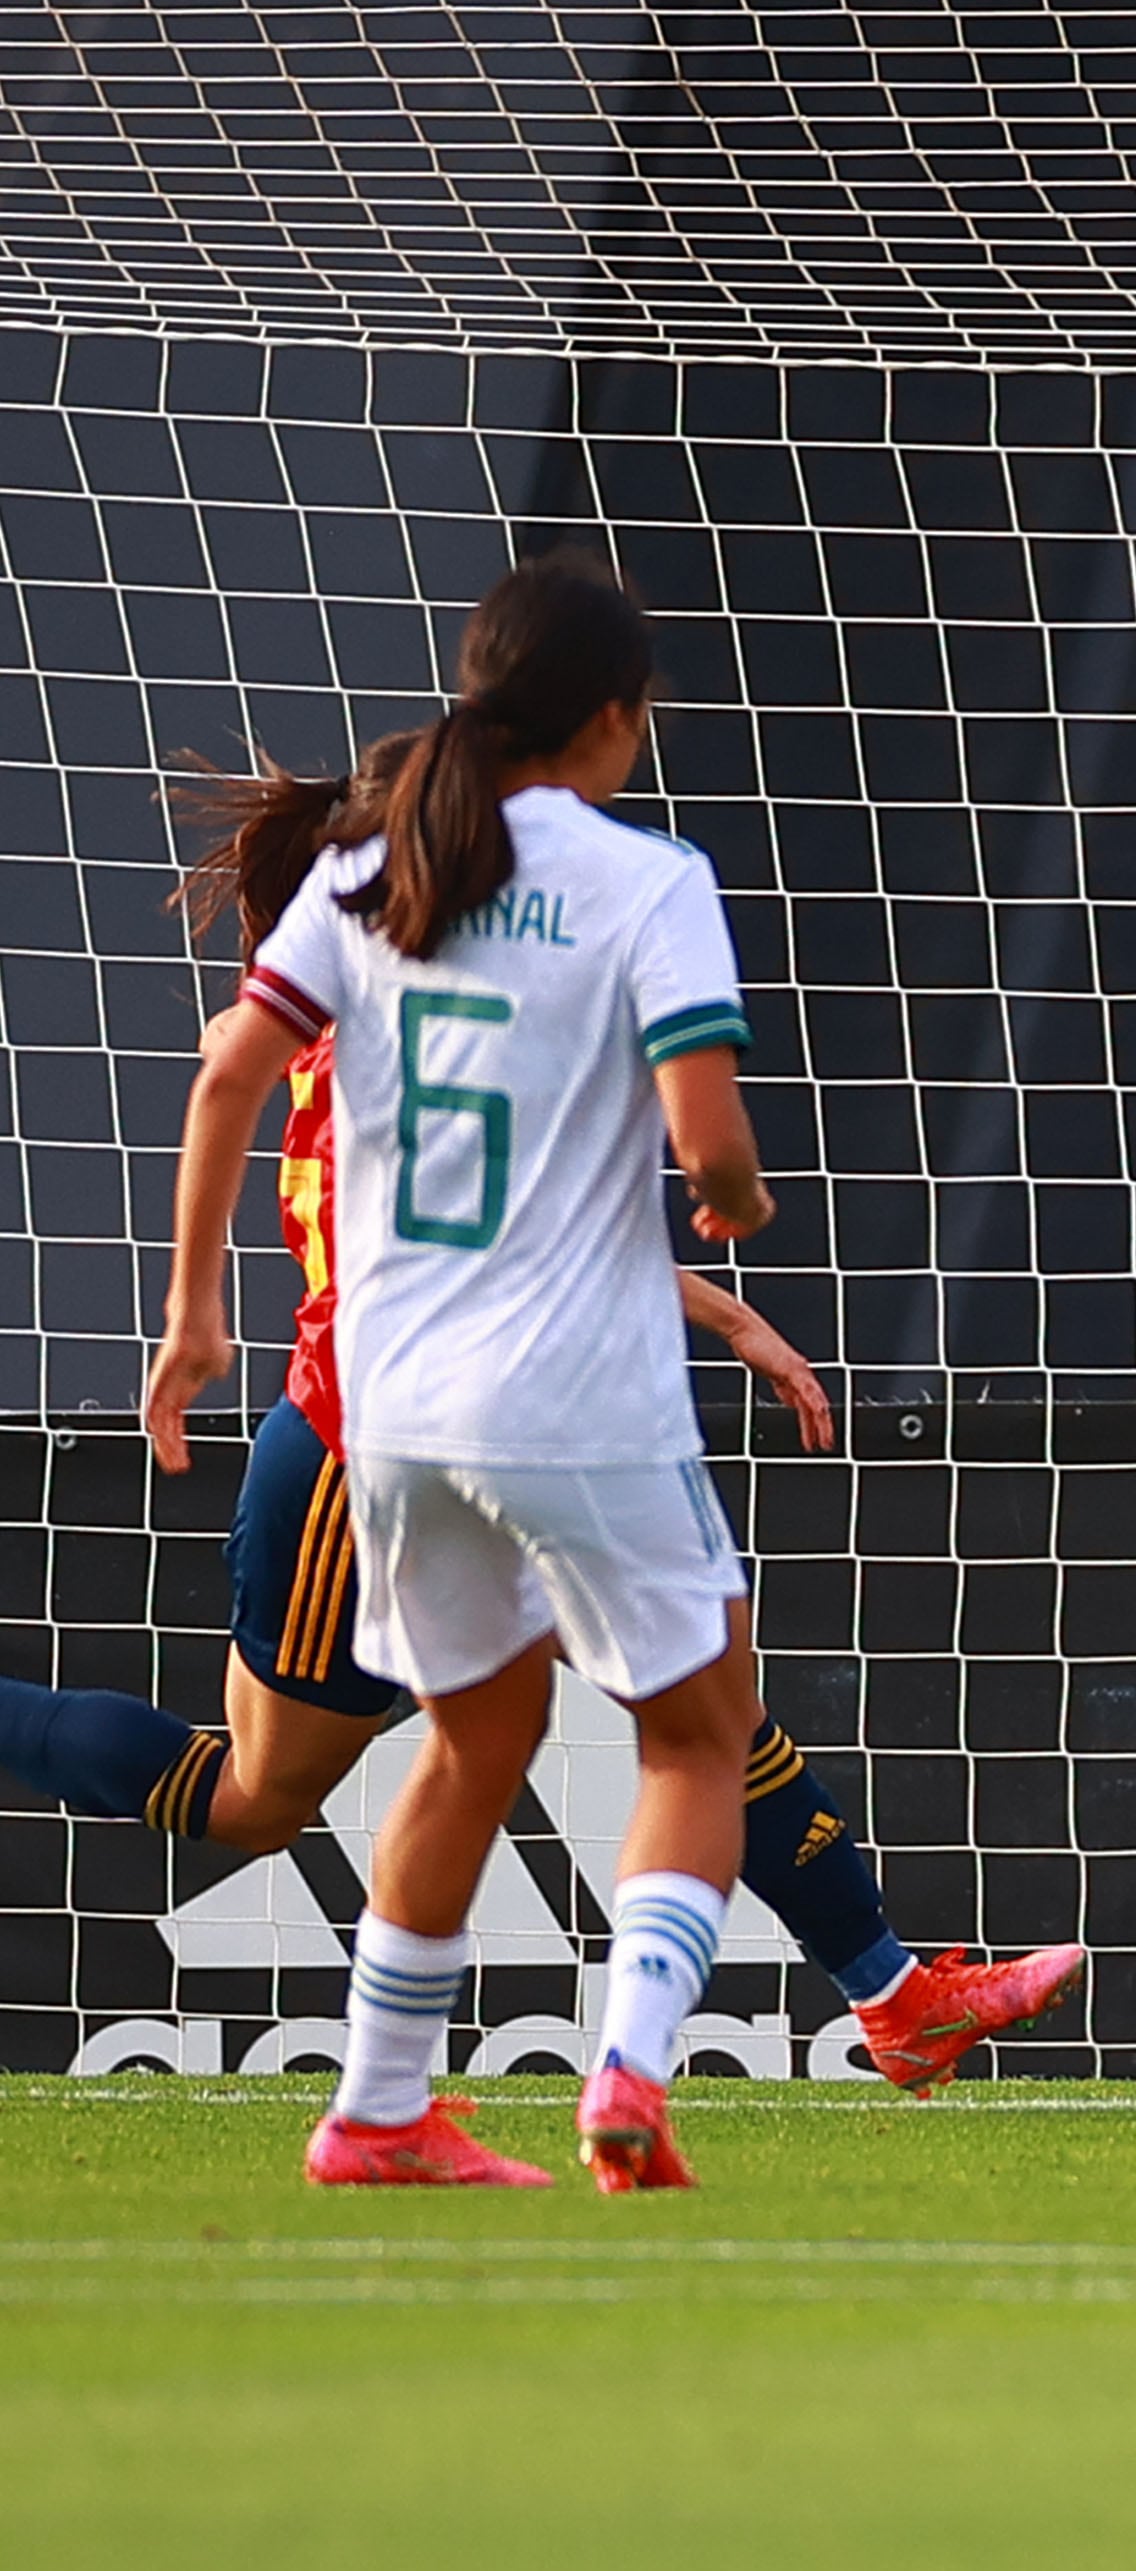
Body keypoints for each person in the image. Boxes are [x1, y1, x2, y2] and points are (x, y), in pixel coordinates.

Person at [6, 743, 1079, 2106]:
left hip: (464, 1412)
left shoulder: (389, 995)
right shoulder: (379, 1016)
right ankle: (810, 2009)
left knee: (697, 1703)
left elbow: (511, 1220)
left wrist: (718, 1311)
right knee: (261, 1795)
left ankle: (887, 1991)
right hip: (366, 1449)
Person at [144, 557, 785, 2187]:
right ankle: (628, 2070)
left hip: (398, 1407)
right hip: (580, 1392)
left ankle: (374, 2107)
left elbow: (233, 1068)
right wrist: (735, 1197)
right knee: (701, 1734)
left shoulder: (370, 863)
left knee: (473, 1736)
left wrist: (195, 1308)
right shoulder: (648, 881)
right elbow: (707, 1143)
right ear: (616, 721)